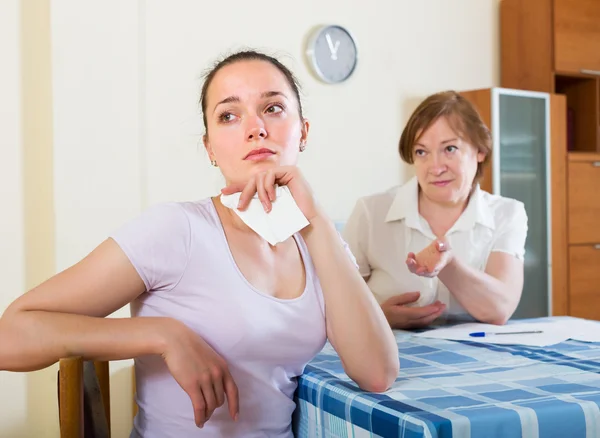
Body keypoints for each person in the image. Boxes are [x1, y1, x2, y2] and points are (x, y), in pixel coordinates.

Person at [0, 50, 399, 437]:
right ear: (210, 148)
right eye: (229, 115)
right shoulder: (177, 229)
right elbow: (10, 336)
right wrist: (164, 335)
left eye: (273, 108)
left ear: (303, 131)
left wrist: (315, 220)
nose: (255, 127)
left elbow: (377, 373)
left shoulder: (320, 241)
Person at [343, 90, 527, 330]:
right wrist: (378, 317)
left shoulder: (507, 213)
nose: (435, 167)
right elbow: (334, 304)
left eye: (449, 149)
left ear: (480, 150)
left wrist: (449, 266)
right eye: (421, 152)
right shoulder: (371, 213)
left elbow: (500, 309)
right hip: (389, 352)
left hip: (476, 357)